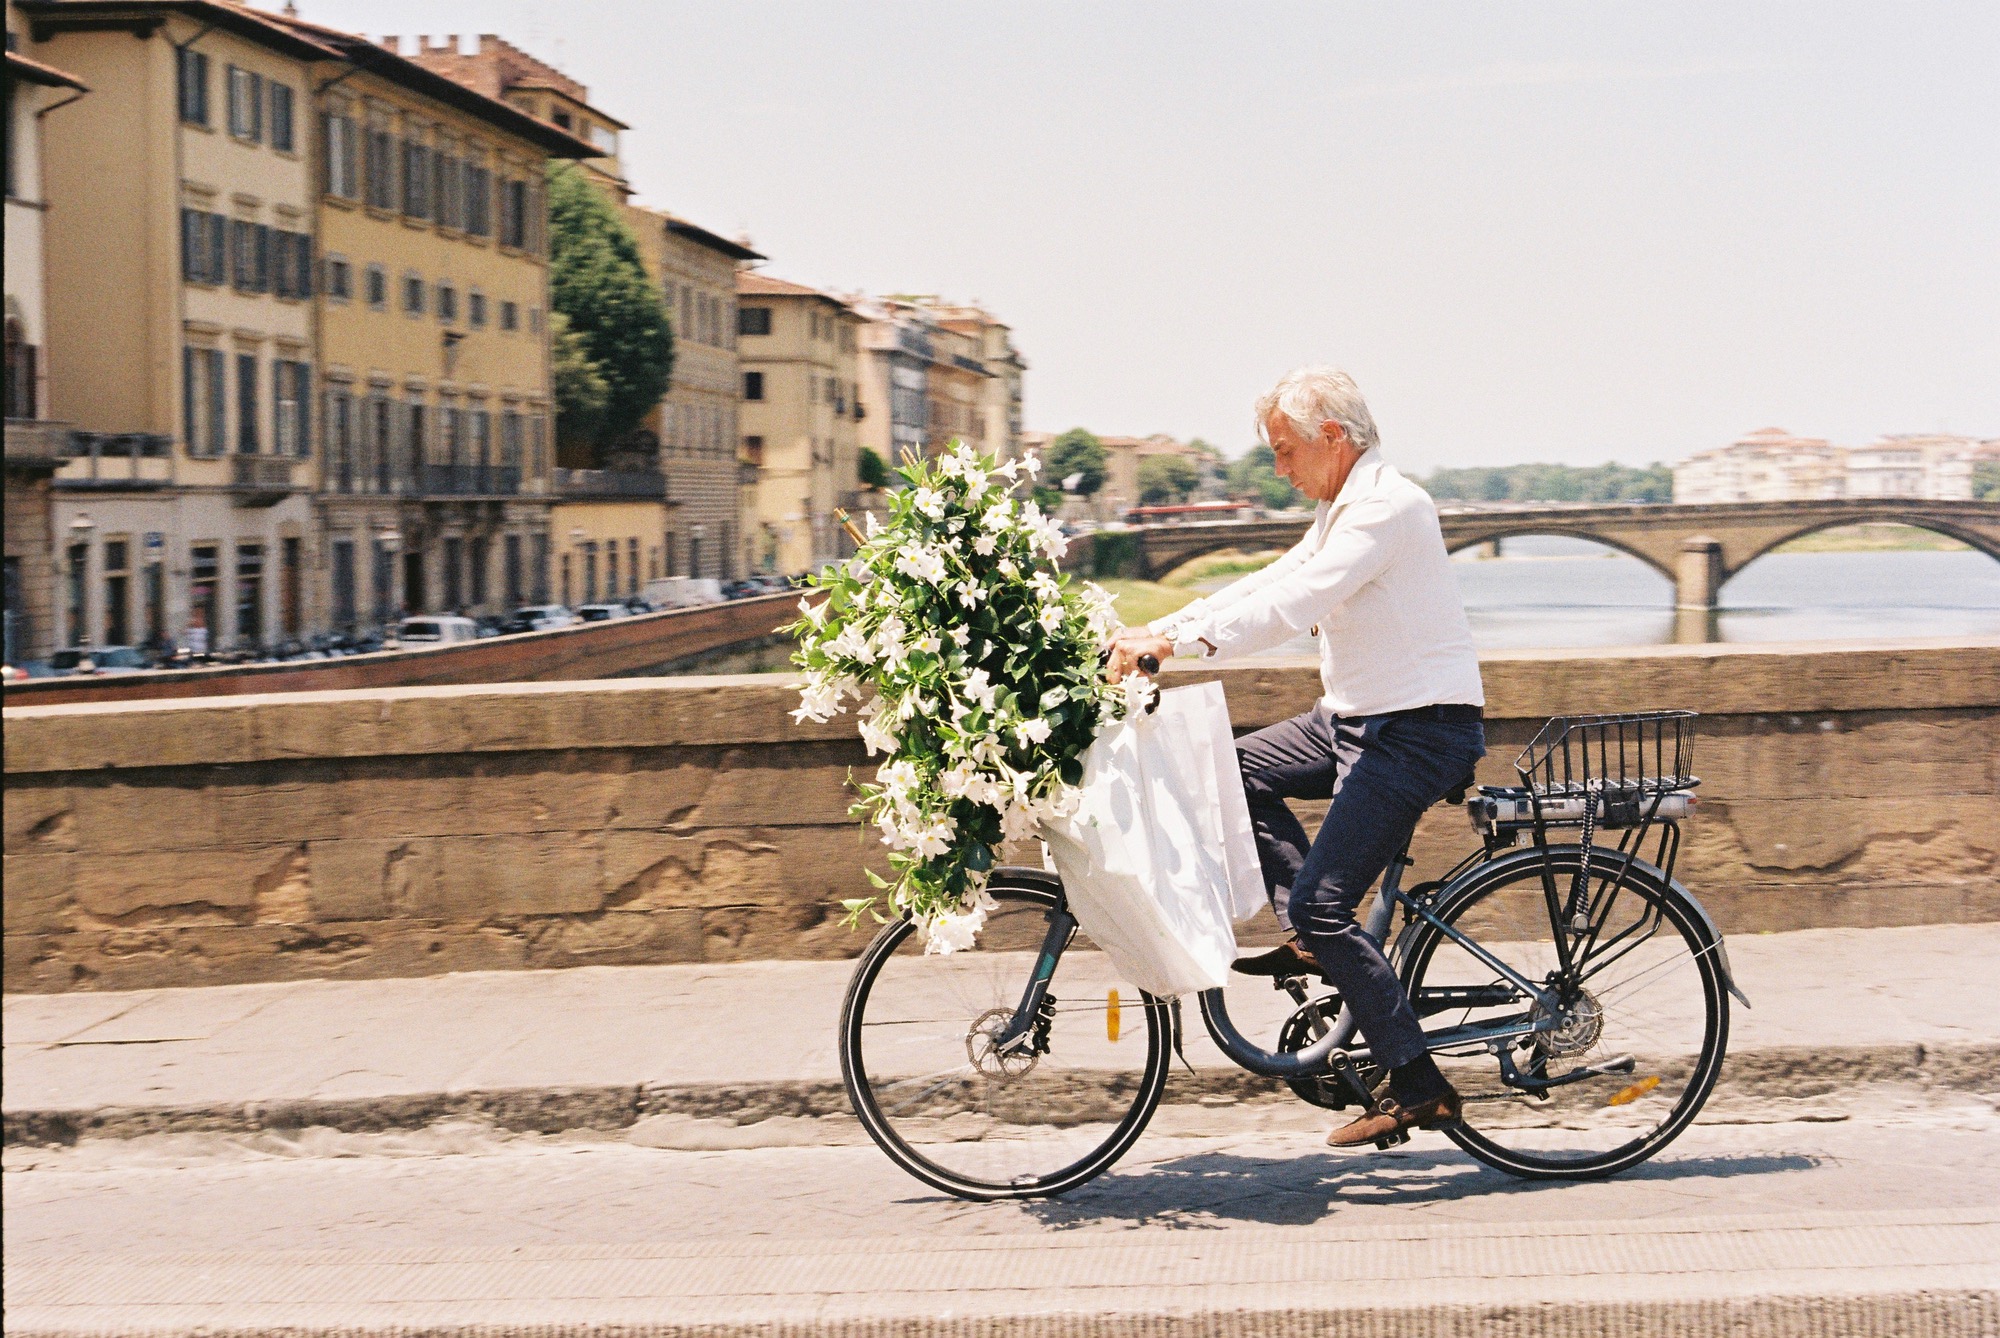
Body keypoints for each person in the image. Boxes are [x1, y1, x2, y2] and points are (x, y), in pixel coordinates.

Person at [1106, 365, 1486, 1149]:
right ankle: (1311, 935)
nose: (1280, 471)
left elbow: (1293, 606)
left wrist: (1171, 645)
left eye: (1285, 452)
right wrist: (1157, 630)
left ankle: (1419, 1085)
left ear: (1333, 439)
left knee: (1325, 900)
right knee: (1233, 770)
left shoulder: (1386, 508)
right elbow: (1266, 579)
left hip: (1417, 729)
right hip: (1353, 716)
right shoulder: (1341, 509)